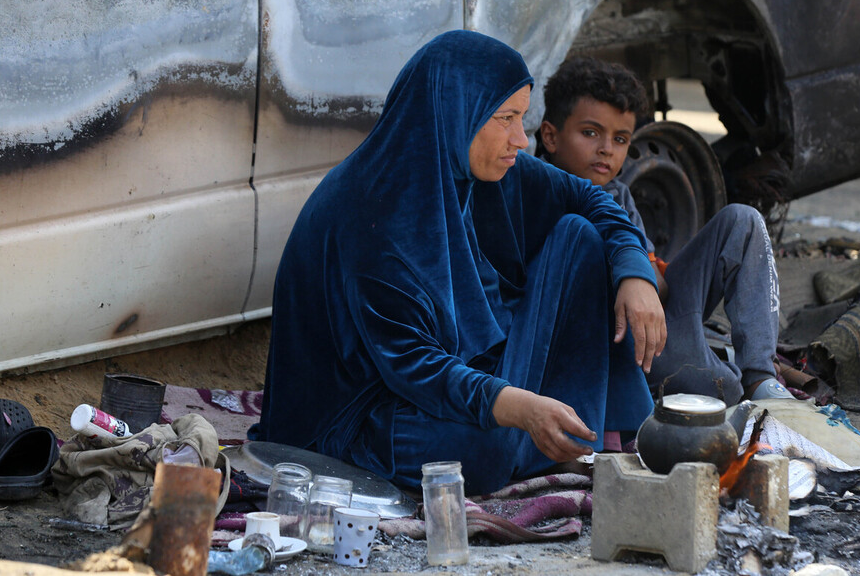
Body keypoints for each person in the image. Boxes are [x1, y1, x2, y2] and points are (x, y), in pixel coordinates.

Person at [250, 31, 666, 495]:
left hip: (463, 372)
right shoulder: (370, 212)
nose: (519, 139)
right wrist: (518, 407)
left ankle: (581, 435)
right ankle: (540, 438)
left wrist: (636, 274)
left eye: (522, 119)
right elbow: (412, 365)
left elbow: (591, 200)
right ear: (455, 112)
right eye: (505, 119)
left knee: (581, 236)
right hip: (363, 412)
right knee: (481, 452)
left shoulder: (485, 167)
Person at [537, 56, 792, 406]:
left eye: (621, 138)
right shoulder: (539, 195)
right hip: (626, 344)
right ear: (550, 136)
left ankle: (759, 375)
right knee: (722, 391)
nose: (606, 149)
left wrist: (649, 270)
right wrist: (637, 274)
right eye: (590, 133)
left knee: (742, 221)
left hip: (661, 315)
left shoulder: (618, 193)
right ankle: (716, 371)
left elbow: (661, 288)